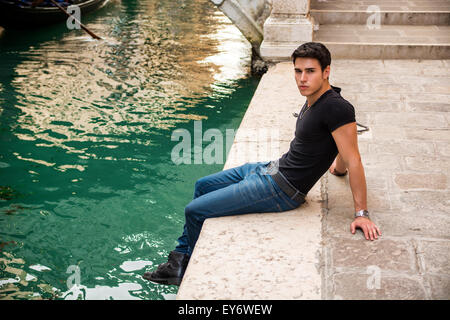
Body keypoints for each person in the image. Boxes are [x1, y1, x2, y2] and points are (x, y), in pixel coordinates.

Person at [143, 42, 382, 286]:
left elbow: (354, 158)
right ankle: (179, 259)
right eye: (298, 71)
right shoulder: (313, 97)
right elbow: (342, 151)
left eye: (310, 71)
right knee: (202, 185)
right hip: (272, 168)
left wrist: (361, 214)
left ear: (326, 71)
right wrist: (338, 169)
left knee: (194, 210)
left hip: (281, 189)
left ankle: (182, 268)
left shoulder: (337, 107)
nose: (302, 78)